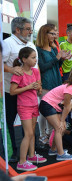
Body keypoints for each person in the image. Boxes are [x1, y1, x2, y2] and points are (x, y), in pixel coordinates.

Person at [3, 17, 38, 162]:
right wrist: (11, 69)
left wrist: (39, 83)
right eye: (28, 29)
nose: (31, 32)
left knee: (29, 126)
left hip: (30, 93)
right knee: (9, 122)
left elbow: (36, 67)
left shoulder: (30, 44)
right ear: (17, 30)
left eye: (31, 29)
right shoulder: (7, 43)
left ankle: (31, 152)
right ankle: (12, 152)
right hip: (10, 91)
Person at [39, 65, 72, 161]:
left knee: (62, 127)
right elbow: (66, 106)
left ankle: (53, 149)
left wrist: (62, 120)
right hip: (47, 104)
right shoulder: (70, 89)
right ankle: (60, 154)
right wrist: (61, 121)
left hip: (55, 106)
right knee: (59, 128)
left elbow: (68, 105)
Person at [10, 47, 46, 171]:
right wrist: (29, 87)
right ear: (24, 59)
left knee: (33, 130)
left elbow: (38, 87)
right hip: (24, 106)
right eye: (33, 57)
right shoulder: (19, 73)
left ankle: (31, 156)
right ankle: (22, 161)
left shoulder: (35, 71)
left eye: (36, 57)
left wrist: (38, 88)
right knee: (29, 133)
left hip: (34, 104)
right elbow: (12, 91)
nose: (36, 60)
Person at [36, 24, 71, 145]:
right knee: (45, 110)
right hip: (46, 83)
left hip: (56, 82)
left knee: (54, 110)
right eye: (53, 33)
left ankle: (51, 136)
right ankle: (42, 134)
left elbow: (57, 66)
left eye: (55, 32)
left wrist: (62, 59)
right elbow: (42, 67)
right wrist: (57, 58)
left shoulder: (54, 48)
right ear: (45, 34)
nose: (55, 35)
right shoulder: (38, 50)